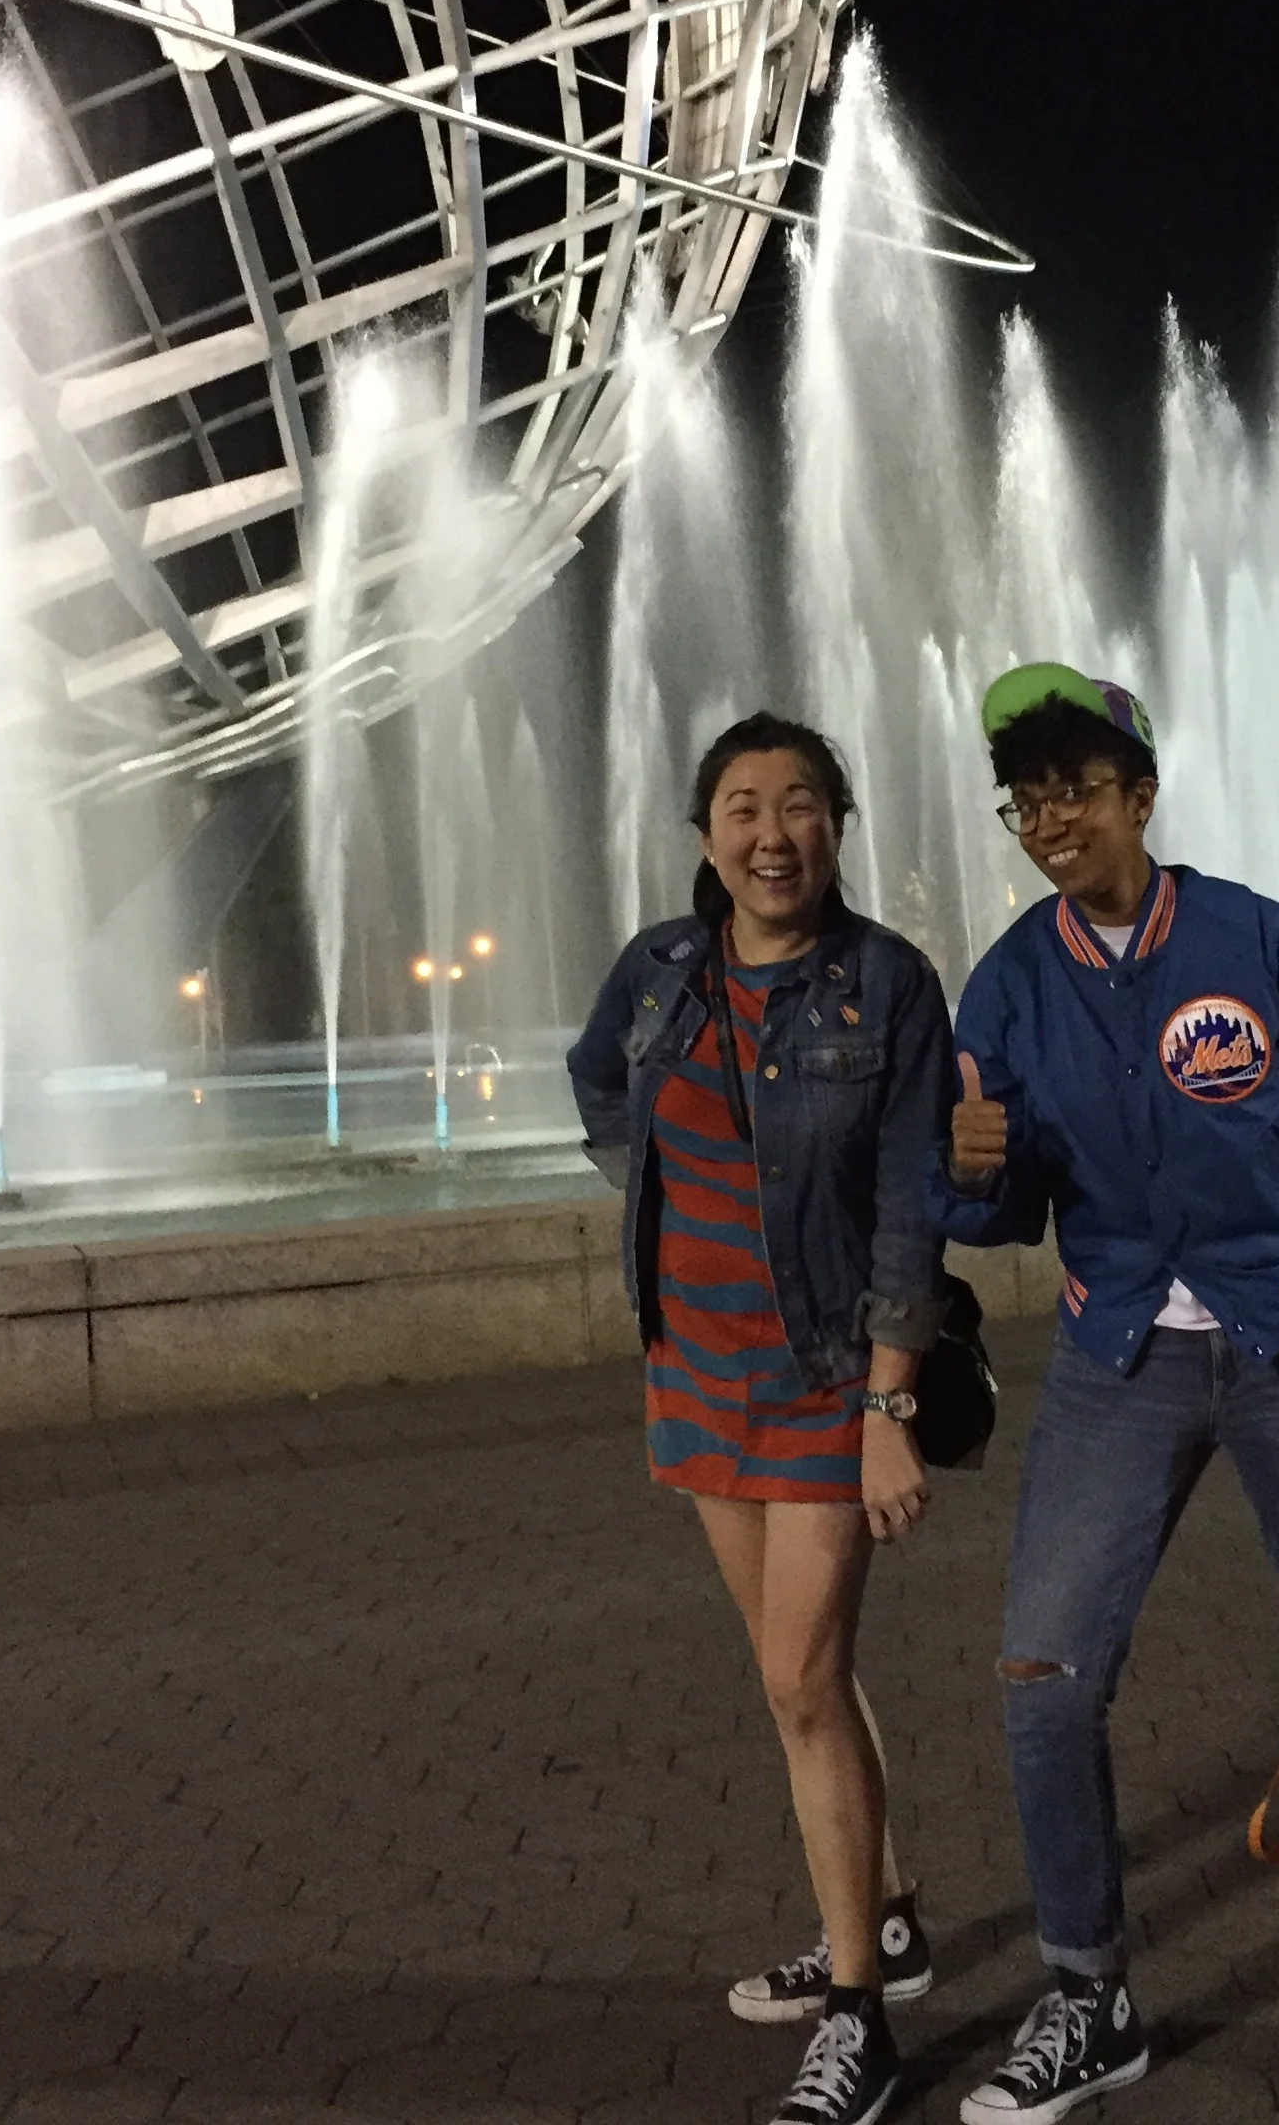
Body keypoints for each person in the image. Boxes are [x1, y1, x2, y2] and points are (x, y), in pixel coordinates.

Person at [932, 663, 1279, 2120]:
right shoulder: (1011, 981)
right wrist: (965, 1176)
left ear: (1141, 797)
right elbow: (997, 1210)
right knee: (1043, 1677)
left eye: (1078, 789)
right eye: (1027, 797)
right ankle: (1088, 1997)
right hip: (1121, 1356)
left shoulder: (1271, 946)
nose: (1051, 820)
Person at [568, 713, 955, 2125]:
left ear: (837, 827)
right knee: (797, 1677)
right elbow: (596, 1081)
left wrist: (885, 1407)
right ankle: (890, 1914)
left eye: (799, 804)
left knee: (802, 1680)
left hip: (820, 1372)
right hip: (697, 1367)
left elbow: (917, 1205)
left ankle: (860, 2015)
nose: (771, 832)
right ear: (705, 832)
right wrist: (656, 1204)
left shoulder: (887, 986)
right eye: (742, 805)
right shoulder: (663, 970)